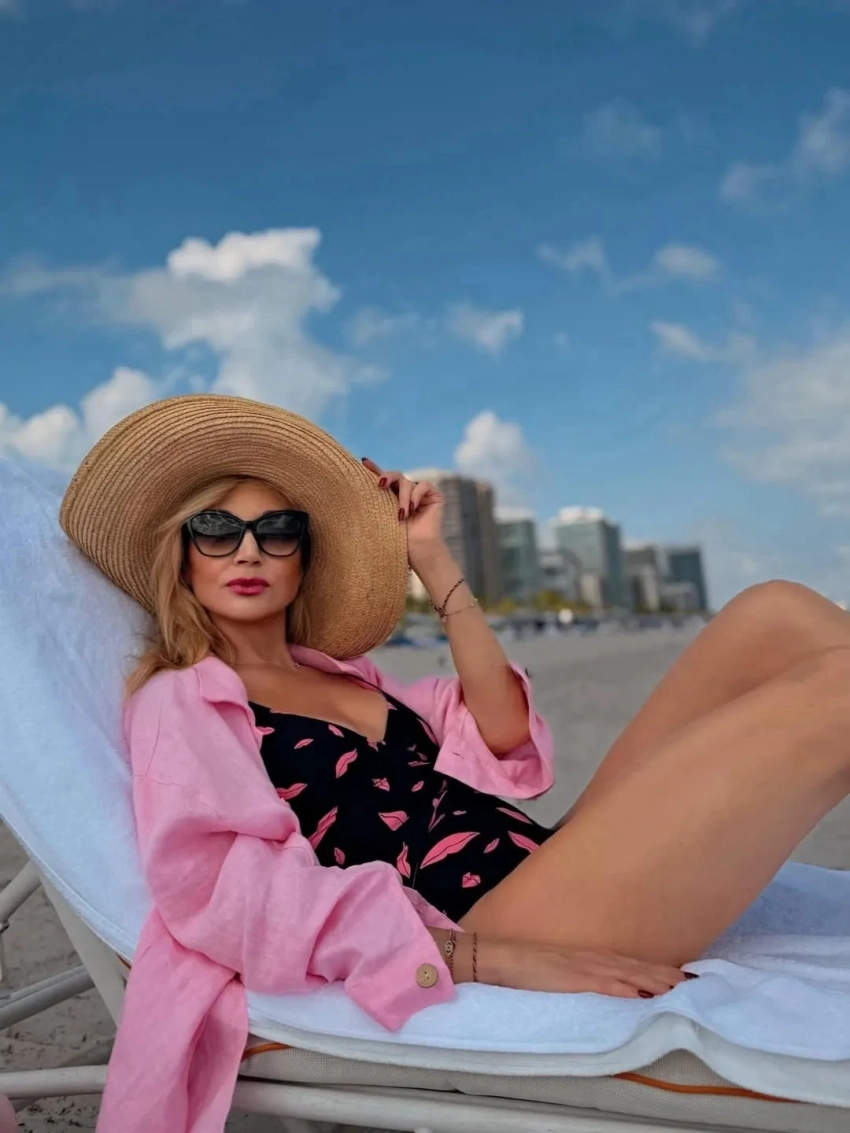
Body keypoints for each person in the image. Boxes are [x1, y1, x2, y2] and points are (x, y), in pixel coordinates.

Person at [60, 393, 850, 1133]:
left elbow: (499, 730)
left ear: (302, 556)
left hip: (544, 862)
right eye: (215, 529)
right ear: (184, 557)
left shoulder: (352, 678)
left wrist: (432, 560)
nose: (248, 550)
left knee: (772, 611)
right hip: (492, 917)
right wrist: (483, 957)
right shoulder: (185, 698)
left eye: (277, 530)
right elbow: (229, 893)